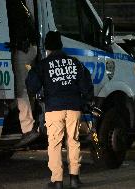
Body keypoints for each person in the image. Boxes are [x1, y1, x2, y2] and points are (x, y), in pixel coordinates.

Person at [26, 31, 94, 189]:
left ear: (47, 47)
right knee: (73, 142)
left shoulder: (43, 64)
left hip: (54, 109)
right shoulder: (74, 62)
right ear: (61, 45)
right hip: (74, 108)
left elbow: (32, 86)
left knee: (55, 144)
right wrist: (84, 100)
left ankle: (57, 181)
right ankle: (75, 178)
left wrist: (31, 70)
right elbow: (86, 85)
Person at [6, 0, 40, 147]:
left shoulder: (11, 4)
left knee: (20, 90)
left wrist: (14, 43)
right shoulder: (21, 4)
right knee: (24, 88)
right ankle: (16, 116)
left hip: (22, 49)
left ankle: (28, 127)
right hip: (30, 49)